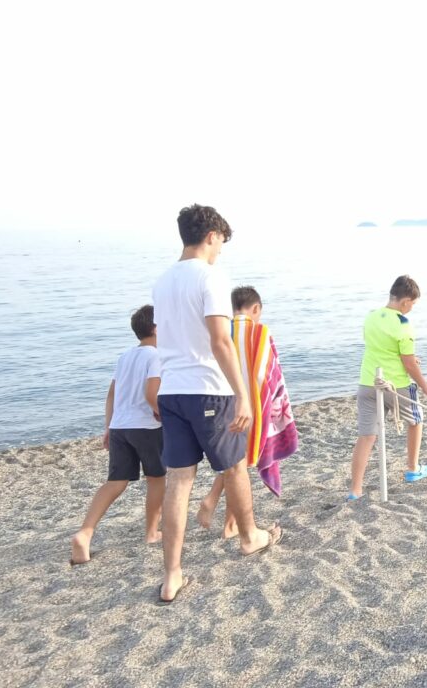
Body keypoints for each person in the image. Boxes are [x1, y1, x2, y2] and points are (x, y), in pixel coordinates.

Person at [153, 204, 281, 605]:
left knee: (178, 480)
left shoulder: (162, 281)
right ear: (211, 236)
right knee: (234, 466)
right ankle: (250, 536)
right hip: (207, 388)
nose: (221, 250)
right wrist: (242, 393)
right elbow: (220, 340)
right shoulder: (210, 277)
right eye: (221, 241)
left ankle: (171, 575)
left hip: (171, 389)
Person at [197, 285, 299, 538]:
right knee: (240, 464)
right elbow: (271, 374)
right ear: (256, 308)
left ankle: (230, 524)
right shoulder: (260, 332)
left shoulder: (221, 329)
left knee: (235, 461)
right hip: (251, 404)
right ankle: (212, 501)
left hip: (221, 402)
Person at [70, 305, 164, 565]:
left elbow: (111, 394)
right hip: (147, 427)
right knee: (157, 479)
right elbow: (151, 395)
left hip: (121, 426)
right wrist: (167, 416)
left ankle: (85, 532)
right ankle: (151, 533)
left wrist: (109, 427)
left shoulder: (125, 356)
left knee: (115, 482)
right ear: (157, 328)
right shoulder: (157, 356)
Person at [348, 275, 427, 500]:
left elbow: (382, 348)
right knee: (415, 421)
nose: (412, 309)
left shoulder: (371, 316)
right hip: (396, 385)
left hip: (368, 382)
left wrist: (409, 358)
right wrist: (425, 386)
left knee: (366, 436)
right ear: (406, 301)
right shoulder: (403, 324)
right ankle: (413, 469)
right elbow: (408, 365)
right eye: (413, 304)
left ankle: (355, 491)